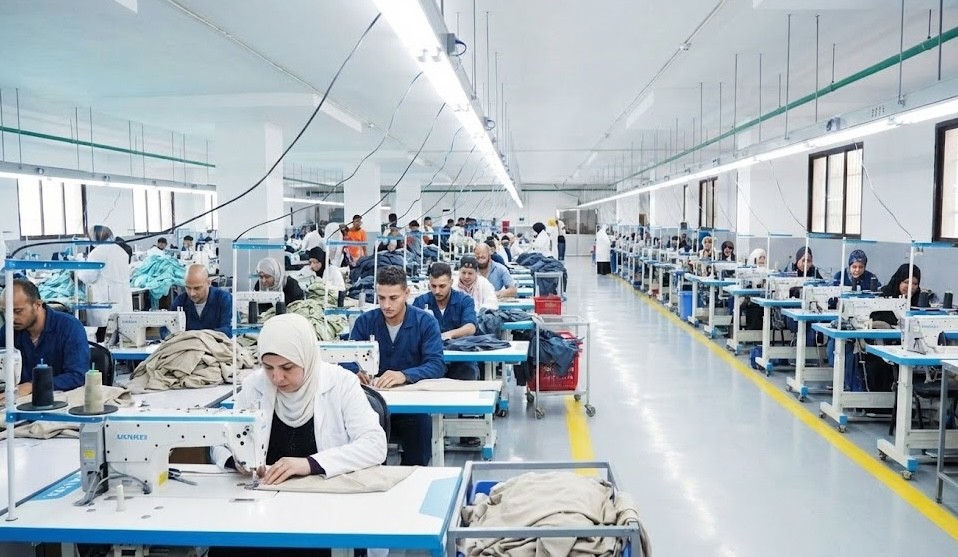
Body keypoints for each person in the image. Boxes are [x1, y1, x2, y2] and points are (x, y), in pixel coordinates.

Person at [210, 313, 386, 557]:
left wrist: (310, 464)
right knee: (226, 546)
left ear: (307, 357)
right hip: (264, 506)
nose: (276, 377)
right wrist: (236, 459)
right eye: (268, 367)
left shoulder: (342, 384)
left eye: (287, 367)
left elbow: (375, 445)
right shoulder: (255, 385)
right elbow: (220, 440)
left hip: (321, 507)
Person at [349, 267, 445, 466]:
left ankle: (414, 478)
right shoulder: (365, 322)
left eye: (393, 298)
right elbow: (346, 359)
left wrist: (404, 375)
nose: (386, 305)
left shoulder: (425, 322)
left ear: (407, 294)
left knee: (419, 432)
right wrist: (355, 372)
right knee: (362, 447)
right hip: (371, 405)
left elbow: (436, 365)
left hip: (412, 406)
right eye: (381, 298)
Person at [0, 279, 89, 396]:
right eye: (5, 312)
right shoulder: (8, 331)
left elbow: (78, 376)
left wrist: (33, 386)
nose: (11, 318)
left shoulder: (69, 327)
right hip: (19, 402)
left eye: (17, 311)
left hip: (62, 401)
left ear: (37, 305)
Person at [412, 262, 479, 380]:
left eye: (442, 286)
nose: (437, 291)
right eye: (433, 286)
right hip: (430, 359)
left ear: (451, 282)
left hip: (461, 361)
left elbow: (470, 327)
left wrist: (448, 334)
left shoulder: (464, 300)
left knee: (468, 375)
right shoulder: (420, 302)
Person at [77, 225, 133, 342]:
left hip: (105, 305)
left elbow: (88, 277)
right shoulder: (120, 251)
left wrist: (78, 268)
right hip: (122, 303)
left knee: (104, 341)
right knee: (120, 339)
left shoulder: (98, 253)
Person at [171, 264, 233, 336]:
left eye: (197, 288)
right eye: (188, 288)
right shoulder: (180, 301)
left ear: (209, 283)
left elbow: (228, 330)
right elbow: (166, 330)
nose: (192, 293)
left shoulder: (224, 299)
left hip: (215, 345)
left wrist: (199, 336)